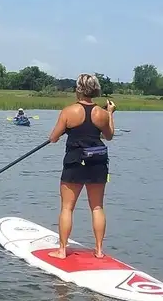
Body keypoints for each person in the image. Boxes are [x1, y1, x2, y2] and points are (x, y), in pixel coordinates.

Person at [47, 73, 116, 259]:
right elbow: (109, 136)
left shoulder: (69, 111)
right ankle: (99, 251)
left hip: (75, 162)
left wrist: (63, 131)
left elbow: (53, 138)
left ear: (78, 89)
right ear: (95, 89)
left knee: (67, 208)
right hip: (98, 162)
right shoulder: (101, 114)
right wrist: (110, 113)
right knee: (97, 207)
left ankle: (62, 250)